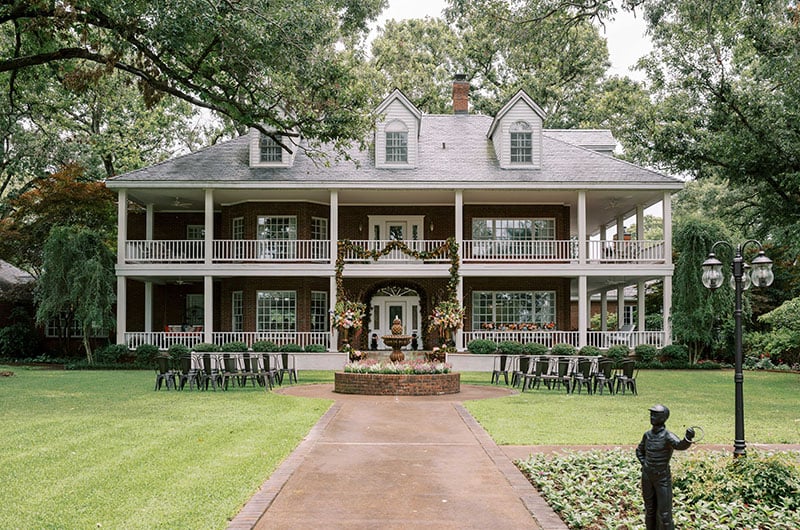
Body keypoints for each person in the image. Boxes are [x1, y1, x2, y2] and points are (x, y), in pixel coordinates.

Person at [636, 404, 695, 530]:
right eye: (651, 414)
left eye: (655, 415)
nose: (651, 417)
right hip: (647, 477)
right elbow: (639, 450)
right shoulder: (647, 435)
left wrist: (688, 438)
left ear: (663, 418)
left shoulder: (668, 436)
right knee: (650, 511)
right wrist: (645, 463)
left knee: (665, 514)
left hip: (662, 478)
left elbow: (680, 445)